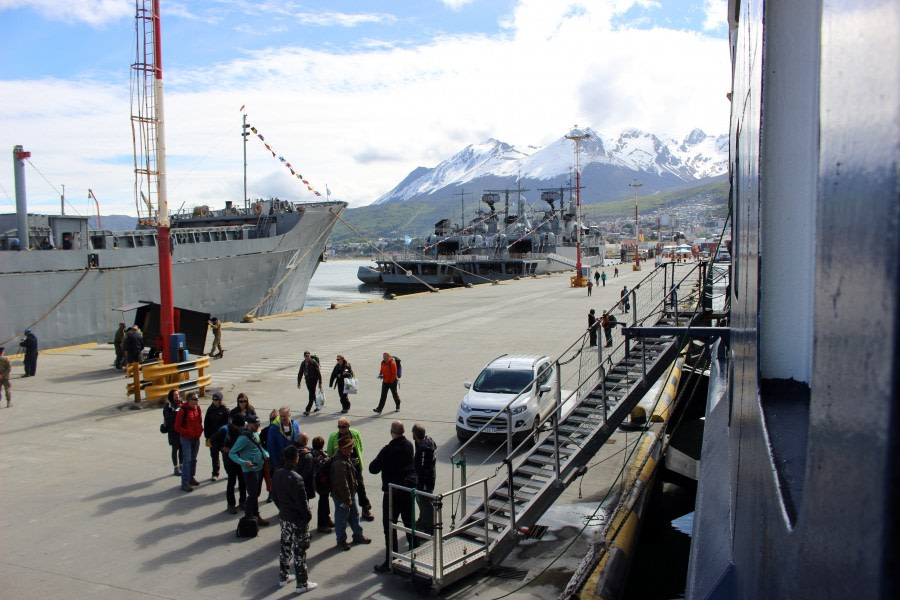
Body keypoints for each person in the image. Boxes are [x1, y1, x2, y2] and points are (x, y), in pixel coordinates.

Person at [369, 420, 417, 573]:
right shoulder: (409, 445)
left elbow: (373, 468)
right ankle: (415, 553)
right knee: (409, 523)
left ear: (392, 432)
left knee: (389, 526)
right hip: (407, 490)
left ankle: (391, 560)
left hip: (393, 493)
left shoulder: (388, 450)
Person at [272, 445, 317, 594]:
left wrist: (283, 509)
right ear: (296, 459)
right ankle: (302, 583)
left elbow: (275, 497)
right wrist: (307, 517)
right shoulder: (297, 478)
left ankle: (283, 576)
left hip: (285, 517)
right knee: (300, 552)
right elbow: (302, 503)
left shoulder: (277, 474)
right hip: (297, 520)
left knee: (285, 548)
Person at [326, 417, 375, 521]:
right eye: (339, 426)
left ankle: (365, 508)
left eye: (343, 427)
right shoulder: (333, 436)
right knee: (343, 488)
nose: (340, 429)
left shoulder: (355, 433)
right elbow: (330, 452)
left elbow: (360, 447)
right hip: (341, 467)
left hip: (355, 466)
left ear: (348, 426)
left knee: (360, 487)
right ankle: (346, 511)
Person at [331, 435, 372, 551]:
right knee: (341, 518)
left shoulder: (345, 458)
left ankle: (358, 535)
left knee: (355, 515)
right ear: (343, 449)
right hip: (342, 496)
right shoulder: (339, 463)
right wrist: (347, 499)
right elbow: (342, 484)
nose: (352, 450)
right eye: (350, 447)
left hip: (349, 494)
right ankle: (341, 540)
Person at [229, 414, 271, 526]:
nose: (258, 426)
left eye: (259, 424)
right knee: (252, 494)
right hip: (250, 470)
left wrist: (265, 453)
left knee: (255, 493)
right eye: (256, 425)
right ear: (250, 424)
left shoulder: (255, 433)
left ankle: (256, 515)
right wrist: (243, 462)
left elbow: (259, 445)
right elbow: (232, 453)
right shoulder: (243, 438)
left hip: (259, 467)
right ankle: (248, 517)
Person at [210, 413, 247, 514]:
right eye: (239, 427)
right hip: (229, 459)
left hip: (241, 458)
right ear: (234, 425)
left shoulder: (243, 428)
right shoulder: (225, 430)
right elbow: (212, 441)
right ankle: (231, 504)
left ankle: (243, 501)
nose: (241, 428)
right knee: (231, 481)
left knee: (243, 480)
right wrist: (222, 448)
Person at [174, 391, 203, 492]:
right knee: (187, 460)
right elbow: (177, 427)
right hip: (186, 439)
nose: (197, 401)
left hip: (196, 438)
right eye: (194, 399)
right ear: (189, 400)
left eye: (197, 399)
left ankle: (191, 477)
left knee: (193, 459)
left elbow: (199, 421)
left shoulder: (198, 409)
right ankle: (184, 482)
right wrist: (187, 433)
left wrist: (199, 431)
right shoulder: (182, 411)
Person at [412, 423, 437, 535]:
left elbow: (422, 468)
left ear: (414, 435)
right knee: (423, 502)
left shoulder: (423, 449)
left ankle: (429, 527)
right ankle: (423, 521)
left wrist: (419, 483)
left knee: (426, 502)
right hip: (429, 478)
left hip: (425, 481)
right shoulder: (428, 441)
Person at [203, 391, 230, 480]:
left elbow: (229, 423)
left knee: (226, 457)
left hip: (223, 438)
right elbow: (206, 423)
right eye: (213, 399)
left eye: (216, 399)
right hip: (213, 437)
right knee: (214, 456)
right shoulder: (210, 409)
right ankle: (215, 473)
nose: (214, 401)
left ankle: (229, 472)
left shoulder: (225, 409)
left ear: (220, 400)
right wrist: (207, 436)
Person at [310, 436, 334, 532]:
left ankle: (327, 519)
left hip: (319, 482)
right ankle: (322, 524)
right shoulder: (320, 456)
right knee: (323, 502)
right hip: (321, 482)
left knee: (325, 500)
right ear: (323, 445)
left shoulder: (312, 453)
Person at [267, 405, 300, 476]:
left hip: (292, 460)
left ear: (289, 415)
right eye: (281, 416)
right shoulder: (274, 428)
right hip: (280, 461)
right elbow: (271, 447)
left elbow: (298, 441)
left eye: (284, 416)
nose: (282, 418)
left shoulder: (295, 424)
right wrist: (275, 465)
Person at [163, 390, 184, 476]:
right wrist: (176, 412)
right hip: (173, 431)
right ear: (171, 396)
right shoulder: (168, 406)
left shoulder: (182, 403)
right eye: (175, 395)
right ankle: (176, 467)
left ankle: (182, 465)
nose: (177, 396)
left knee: (182, 448)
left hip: (181, 430)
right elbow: (167, 418)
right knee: (175, 449)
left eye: (178, 394)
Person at [297, 351, 323, 417]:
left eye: (308, 356)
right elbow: (300, 373)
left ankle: (307, 410)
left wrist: (320, 383)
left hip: (314, 380)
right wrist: (299, 382)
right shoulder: (303, 363)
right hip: (307, 380)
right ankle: (318, 405)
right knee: (312, 394)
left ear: (310, 356)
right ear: (304, 357)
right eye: (306, 356)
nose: (307, 357)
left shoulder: (313, 362)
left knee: (311, 394)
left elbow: (319, 373)